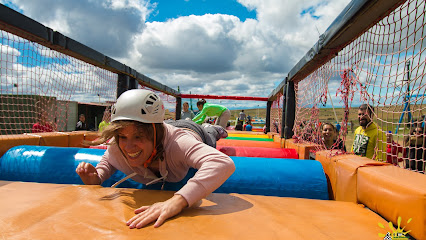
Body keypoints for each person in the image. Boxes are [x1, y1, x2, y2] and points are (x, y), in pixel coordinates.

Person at [76, 89, 235, 229]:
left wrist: (176, 202)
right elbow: (109, 160)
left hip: (194, 131)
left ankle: (214, 128)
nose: (129, 147)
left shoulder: (178, 145)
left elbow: (222, 163)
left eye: (138, 136)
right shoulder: (119, 144)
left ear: (155, 132)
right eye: (123, 137)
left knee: (211, 133)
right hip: (166, 125)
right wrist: (97, 176)